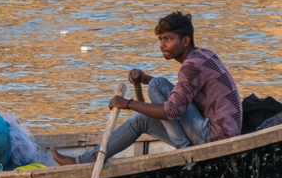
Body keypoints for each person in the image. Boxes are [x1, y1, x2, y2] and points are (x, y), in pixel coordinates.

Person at [52, 12, 242, 166]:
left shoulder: (191, 66)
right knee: (140, 119)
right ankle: (85, 161)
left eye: (168, 39)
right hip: (217, 130)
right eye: (160, 39)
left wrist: (127, 103)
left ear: (185, 41)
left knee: (157, 85)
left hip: (216, 138)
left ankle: (184, 149)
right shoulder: (203, 55)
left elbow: (172, 110)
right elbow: (183, 95)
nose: (162, 45)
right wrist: (145, 79)